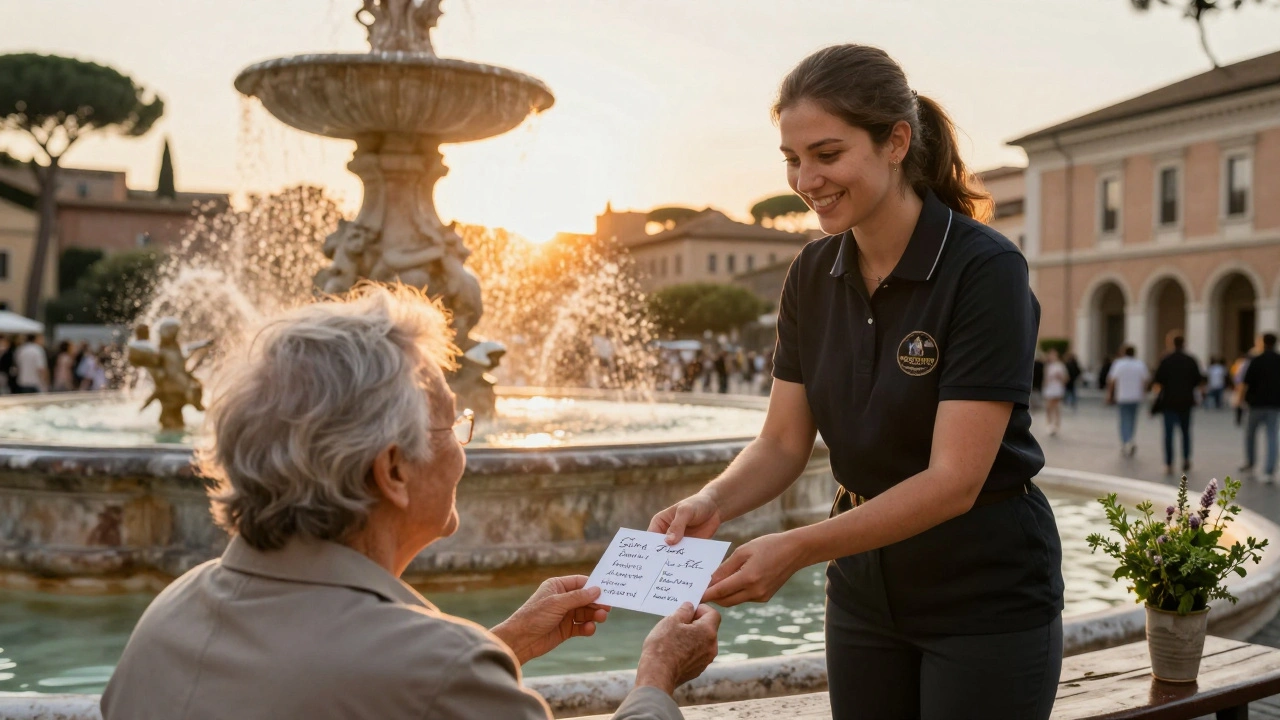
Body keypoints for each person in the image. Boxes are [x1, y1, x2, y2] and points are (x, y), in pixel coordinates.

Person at [650, 45, 1063, 719]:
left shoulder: (985, 269)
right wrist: (713, 501)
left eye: (827, 154)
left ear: (896, 142)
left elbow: (954, 480)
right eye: (792, 158)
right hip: (864, 593)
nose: (805, 178)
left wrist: (799, 546)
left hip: (983, 593)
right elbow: (783, 442)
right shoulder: (812, 273)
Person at [102, 285, 720, 720]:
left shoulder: (166, 617)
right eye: (453, 426)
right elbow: (409, 682)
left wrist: (506, 643)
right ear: (392, 470)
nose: (462, 452)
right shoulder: (439, 668)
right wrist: (656, 677)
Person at [1151, 333, 1205, 476]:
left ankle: (1169, 463)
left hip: (1169, 401)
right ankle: (1186, 459)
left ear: (1170, 343)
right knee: (1186, 432)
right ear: (1184, 343)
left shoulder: (1166, 360)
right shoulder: (1191, 360)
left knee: (1168, 434)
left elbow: (1158, 381)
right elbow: (1198, 380)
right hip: (1186, 401)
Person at [1239, 332, 1280, 483]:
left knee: (1250, 435)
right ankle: (1269, 471)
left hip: (1255, 404)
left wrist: (1239, 401)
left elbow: (1246, 382)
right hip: (1274, 405)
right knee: (1272, 437)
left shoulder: (1256, 360)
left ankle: (1250, 463)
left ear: (1262, 342)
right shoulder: (1278, 360)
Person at [1106, 345, 1148, 457]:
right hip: (1135, 396)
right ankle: (1130, 439)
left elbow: (1112, 380)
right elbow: (1145, 380)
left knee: (1123, 419)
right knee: (1133, 419)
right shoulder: (1140, 364)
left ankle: (1125, 441)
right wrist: (1143, 392)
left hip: (1123, 396)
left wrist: (1110, 395)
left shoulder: (1119, 364)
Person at [1041, 349, 1067, 437]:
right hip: (1049, 388)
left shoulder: (1060, 366)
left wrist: (1060, 377)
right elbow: (1046, 378)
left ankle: (1056, 424)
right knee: (1048, 407)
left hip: (1057, 389)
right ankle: (1049, 423)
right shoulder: (1048, 366)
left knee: (1055, 406)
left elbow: (1065, 378)